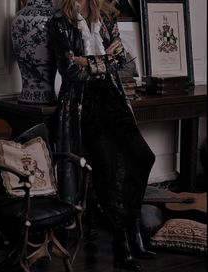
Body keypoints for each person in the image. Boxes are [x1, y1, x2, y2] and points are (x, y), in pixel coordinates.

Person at [50, 0, 156, 271]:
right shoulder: (59, 23)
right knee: (106, 170)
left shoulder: (107, 17)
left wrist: (89, 60)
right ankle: (122, 244)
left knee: (144, 157)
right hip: (83, 106)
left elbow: (121, 61)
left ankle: (132, 227)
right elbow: (70, 71)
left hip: (113, 99)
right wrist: (103, 58)